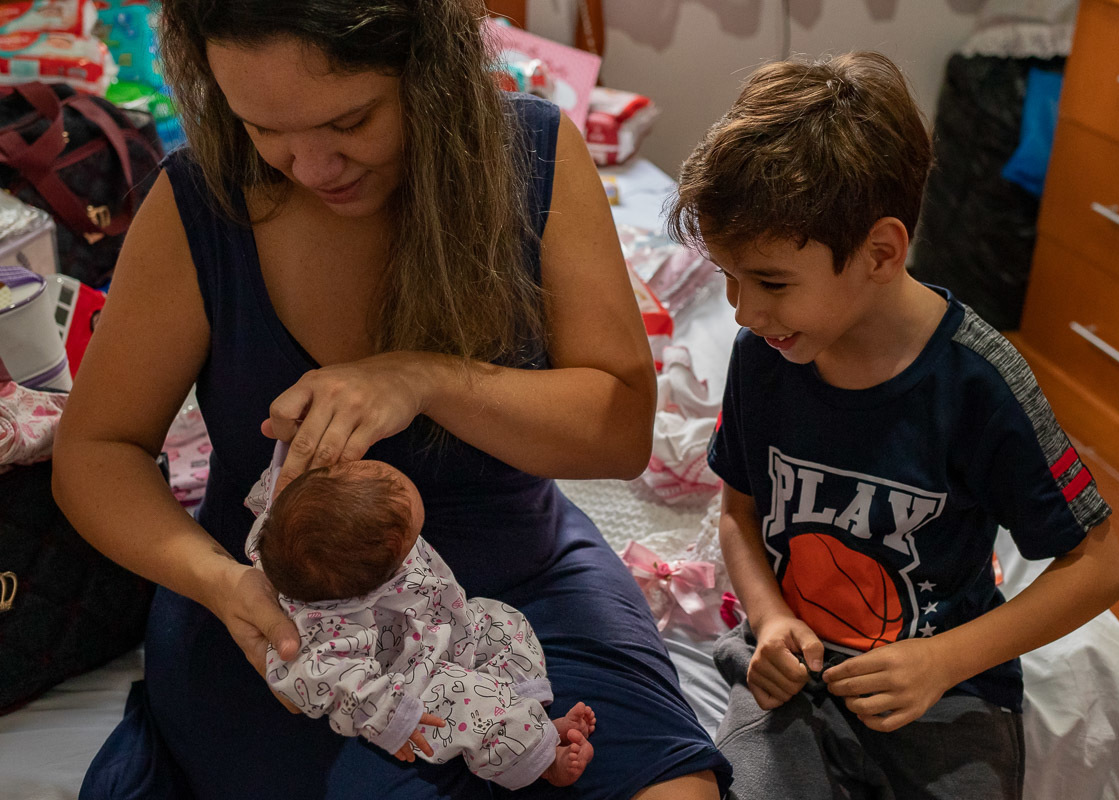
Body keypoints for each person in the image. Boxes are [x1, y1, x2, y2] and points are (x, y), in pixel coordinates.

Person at [52, 1, 730, 797]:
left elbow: (617, 434)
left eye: (351, 120)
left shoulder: (533, 155)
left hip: (514, 585)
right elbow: (96, 452)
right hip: (294, 615)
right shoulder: (200, 200)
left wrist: (425, 378)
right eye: (264, 130)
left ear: (429, 71)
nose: (310, 166)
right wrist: (218, 583)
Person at [666, 52, 1119, 800]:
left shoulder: (980, 382)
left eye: (771, 283)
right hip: (797, 682)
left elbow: (1100, 568)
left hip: (946, 695)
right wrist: (771, 616)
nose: (744, 313)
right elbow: (737, 517)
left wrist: (943, 661)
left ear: (881, 252)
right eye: (729, 279)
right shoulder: (764, 358)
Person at [245, 454, 596, 789]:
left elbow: (283, 479)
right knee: (472, 702)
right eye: (411, 541)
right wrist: (387, 712)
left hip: (447, 626)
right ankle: (538, 757)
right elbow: (315, 677)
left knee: (502, 622)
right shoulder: (326, 625)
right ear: (383, 574)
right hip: (414, 677)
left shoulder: (298, 515)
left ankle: (526, 710)